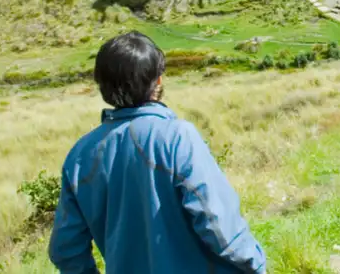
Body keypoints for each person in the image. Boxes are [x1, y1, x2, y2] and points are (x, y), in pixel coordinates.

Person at [48, 32, 267, 274]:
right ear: (158, 81)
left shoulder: (79, 156)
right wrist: (255, 264)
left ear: (102, 86)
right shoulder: (177, 137)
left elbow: (65, 250)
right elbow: (217, 224)